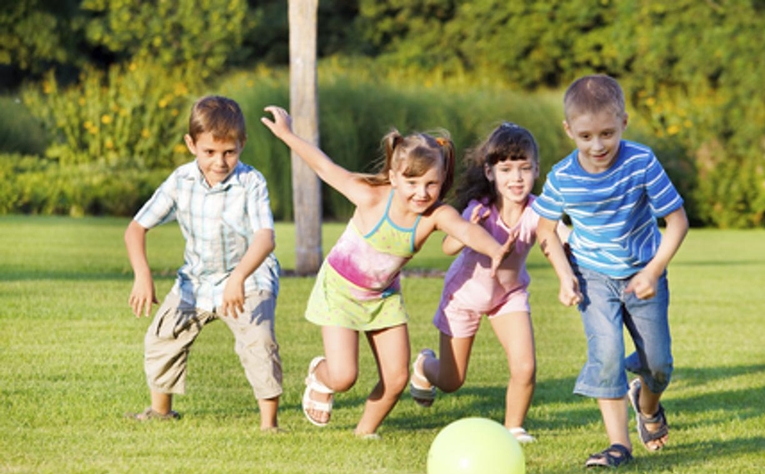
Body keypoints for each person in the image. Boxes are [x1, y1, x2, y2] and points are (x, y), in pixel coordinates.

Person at [260, 106, 513, 438]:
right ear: (394, 177)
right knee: (344, 376)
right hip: (339, 292)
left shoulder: (435, 215)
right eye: (411, 182)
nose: (421, 193)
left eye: (431, 183)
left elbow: (465, 231)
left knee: (395, 379)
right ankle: (322, 376)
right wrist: (288, 135)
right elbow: (324, 166)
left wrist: (495, 249)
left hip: (383, 298)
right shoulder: (369, 196)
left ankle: (363, 434)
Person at [532, 74, 689, 468]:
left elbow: (678, 220)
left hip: (642, 274)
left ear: (624, 122)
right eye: (586, 136)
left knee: (659, 364)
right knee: (606, 354)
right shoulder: (563, 177)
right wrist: (565, 275)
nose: (597, 145)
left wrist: (653, 271)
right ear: (569, 130)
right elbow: (544, 228)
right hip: (593, 277)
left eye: (607, 133)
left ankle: (647, 404)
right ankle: (619, 445)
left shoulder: (641, 161)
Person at [124, 95, 283, 432]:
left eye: (230, 152)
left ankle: (269, 425)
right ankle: (160, 412)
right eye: (209, 152)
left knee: (259, 341)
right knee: (163, 335)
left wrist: (239, 276)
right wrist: (142, 274)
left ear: (242, 144)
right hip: (196, 281)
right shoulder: (181, 181)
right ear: (191, 144)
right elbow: (136, 228)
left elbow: (265, 238)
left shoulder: (251, 183)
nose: (220, 161)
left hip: (249, 277)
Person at [408, 122, 569, 444]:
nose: (517, 178)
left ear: (537, 170)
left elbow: (559, 237)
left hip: (508, 296)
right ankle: (425, 365)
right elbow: (448, 247)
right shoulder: (479, 209)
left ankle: (514, 428)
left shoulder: (538, 210)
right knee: (452, 381)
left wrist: (574, 266)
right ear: (490, 172)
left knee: (525, 366)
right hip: (464, 296)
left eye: (524, 168)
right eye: (506, 169)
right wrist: (468, 227)